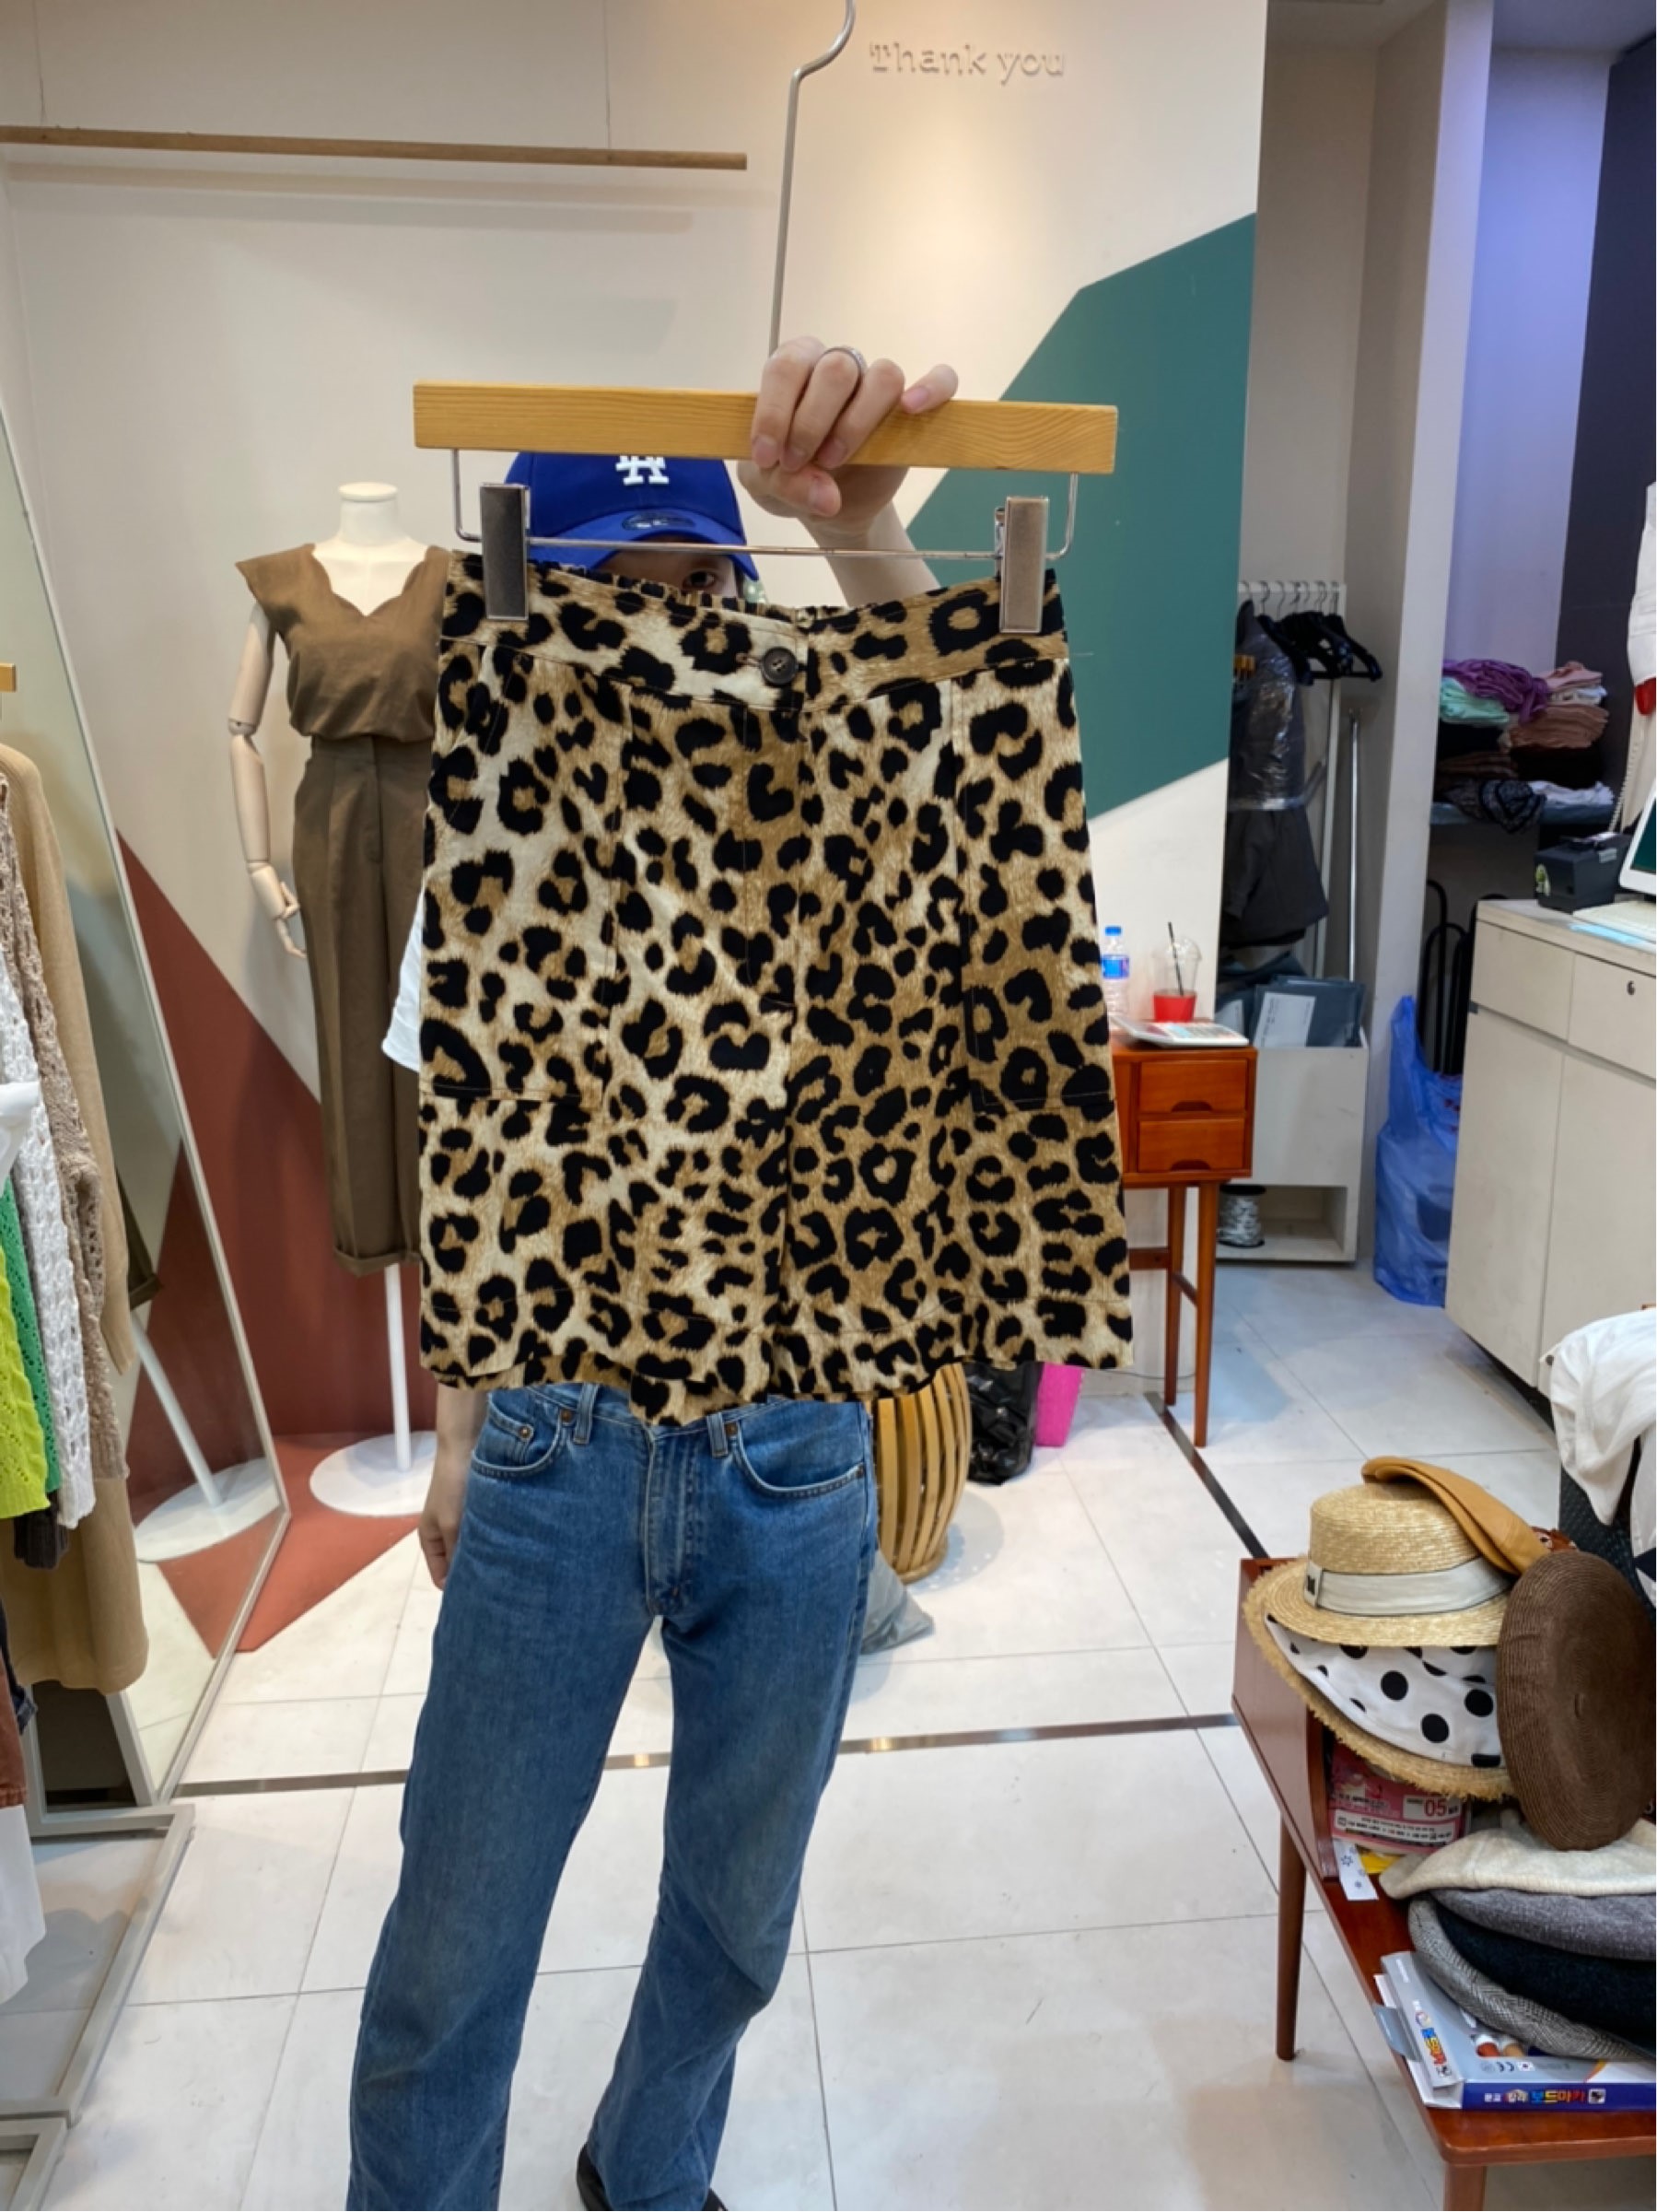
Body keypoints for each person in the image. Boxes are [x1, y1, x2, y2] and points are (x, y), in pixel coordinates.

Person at [348, 340, 959, 2212]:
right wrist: (461, 1435)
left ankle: (652, 2164)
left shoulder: (824, 817)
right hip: (558, 1438)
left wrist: (867, 533)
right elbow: (470, 1160)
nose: (662, 632)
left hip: (790, 1447)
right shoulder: (493, 857)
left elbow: (961, 766)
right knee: (456, 1944)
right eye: (613, 594)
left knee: (739, 1917)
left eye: (699, 585)